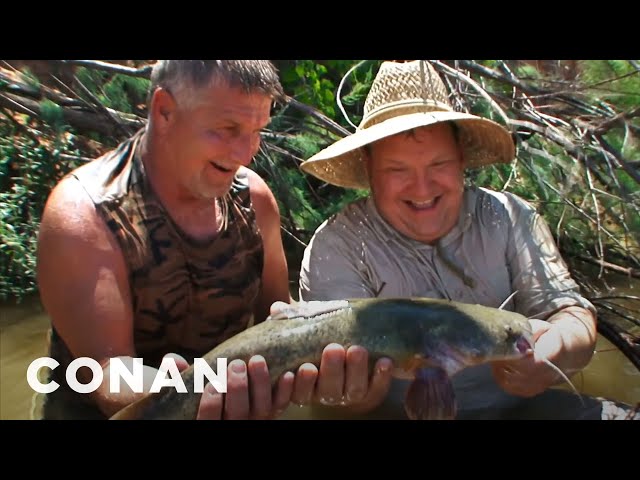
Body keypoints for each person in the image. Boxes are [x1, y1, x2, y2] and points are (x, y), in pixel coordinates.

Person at [295, 60, 639, 420]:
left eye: (439, 164)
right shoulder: (336, 247)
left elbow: (570, 314)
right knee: (231, 379)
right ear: (369, 170)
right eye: (397, 170)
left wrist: (559, 347)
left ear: (461, 158)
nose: (422, 188)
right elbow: (342, 403)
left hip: (523, 411)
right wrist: (352, 392)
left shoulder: (509, 217)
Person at [35, 60, 299, 420]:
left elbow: (280, 319)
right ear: (165, 111)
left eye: (257, 131)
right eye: (227, 128)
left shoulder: (254, 200)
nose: (246, 152)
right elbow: (104, 374)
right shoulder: (86, 214)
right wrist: (188, 385)